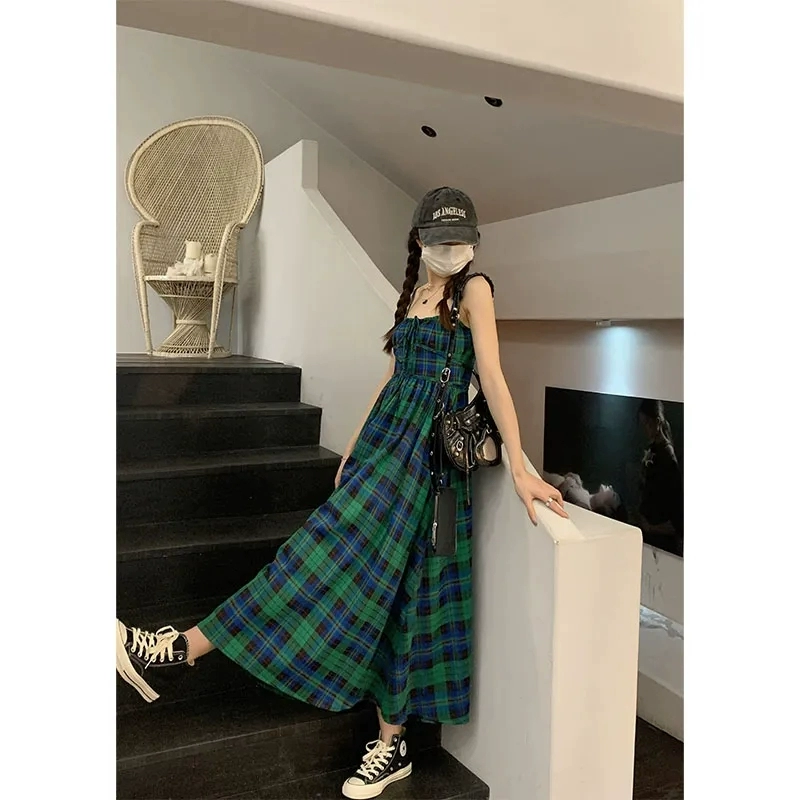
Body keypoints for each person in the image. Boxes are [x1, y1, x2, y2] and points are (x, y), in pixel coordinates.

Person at [115, 186, 568, 799]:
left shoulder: (475, 290)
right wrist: (355, 445)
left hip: (428, 465)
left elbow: (491, 374)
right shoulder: (414, 295)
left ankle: (389, 741)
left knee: (412, 596)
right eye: (441, 241)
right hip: (386, 448)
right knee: (314, 557)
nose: (453, 251)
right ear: (419, 242)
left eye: (462, 241)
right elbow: (392, 378)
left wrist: (520, 468)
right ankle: (182, 648)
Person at [632, 398, 683, 557]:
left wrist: (651, 527)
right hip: (648, 531)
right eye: (643, 424)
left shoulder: (667, 456)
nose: (645, 429)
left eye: (648, 423)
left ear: (658, 422)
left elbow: (675, 505)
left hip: (660, 538)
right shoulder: (652, 449)